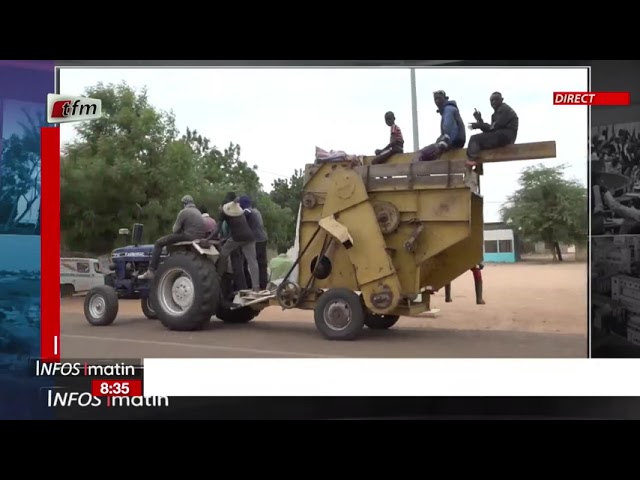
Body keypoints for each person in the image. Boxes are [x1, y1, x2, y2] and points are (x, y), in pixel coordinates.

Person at [138, 195, 206, 280]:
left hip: (188, 236)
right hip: (199, 237)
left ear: (184, 204)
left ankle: (151, 271)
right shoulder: (198, 212)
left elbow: (175, 230)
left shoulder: (184, 212)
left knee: (159, 243)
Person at [466, 92, 519, 175]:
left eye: (496, 99)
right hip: (501, 135)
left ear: (501, 100)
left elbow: (493, 128)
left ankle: (472, 160)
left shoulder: (504, 109)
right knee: (480, 144)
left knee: (474, 139)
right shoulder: (495, 114)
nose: (494, 102)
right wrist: (480, 120)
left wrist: (479, 125)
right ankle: (478, 167)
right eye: (492, 100)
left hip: (506, 136)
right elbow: (490, 132)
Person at [216, 197, 260, 293]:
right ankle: (256, 287)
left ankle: (219, 276)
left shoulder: (224, 213)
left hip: (237, 238)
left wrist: (207, 239)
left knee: (224, 253)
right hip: (249, 237)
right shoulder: (239, 213)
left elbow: (217, 229)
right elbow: (238, 228)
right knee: (252, 261)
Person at [414, 90, 466, 162]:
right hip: (455, 140)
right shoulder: (447, 109)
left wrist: (444, 141)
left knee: (420, 154)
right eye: (435, 99)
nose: (437, 101)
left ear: (445, 98)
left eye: (439, 98)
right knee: (428, 154)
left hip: (453, 141)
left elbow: (448, 127)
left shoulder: (448, 109)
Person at [239, 196, 269, 290]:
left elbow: (246, 213)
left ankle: (252, 285)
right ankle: (263, 284)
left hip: (257, 240)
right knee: (262, 263)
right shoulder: (257, 211)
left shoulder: (248, 211)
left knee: (252, 262)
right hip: (263, 238)